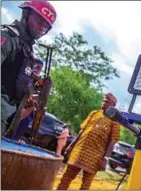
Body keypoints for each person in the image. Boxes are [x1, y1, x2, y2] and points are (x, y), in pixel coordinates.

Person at [1, 0, 57, 131]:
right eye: (39, 22)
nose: (41, 28)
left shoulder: (28, 52)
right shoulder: (7, 36)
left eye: (45, 27)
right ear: (26, 14)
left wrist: (29, 101)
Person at [57, 93, 120, 190]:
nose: (103, 103)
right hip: (79, 151)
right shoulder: (94, 113)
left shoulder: (115, 122)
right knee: (65, 178)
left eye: (106, 102)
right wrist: (71, 146)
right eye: (103, 101)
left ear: (112, 105)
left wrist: (105, 158)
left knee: (85, 185)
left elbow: (113, 141)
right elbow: (82, 131)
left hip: (95, 157)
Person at [8, 57, 44, 141]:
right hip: (15, 104)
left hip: (26, 111)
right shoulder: (25, 75)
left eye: (40, 69)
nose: (38, 70)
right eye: (37, 67)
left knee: (26, 120)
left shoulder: (38, 83)